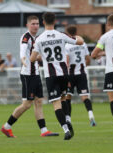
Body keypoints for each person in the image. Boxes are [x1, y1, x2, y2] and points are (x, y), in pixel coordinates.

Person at [1, 15, 59, 138]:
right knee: (27, 104)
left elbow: (37, 55)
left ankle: (44, 131)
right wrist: (22, 58)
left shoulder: (37, 38)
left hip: (36, 74)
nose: (35, 26)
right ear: (27, 25)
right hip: (28, 75)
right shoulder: (26, 37)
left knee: (38, 102)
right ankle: (7, 127)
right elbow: (23, 50)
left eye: (37, 23)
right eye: (33, 23)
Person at [30, 12, 84, 140]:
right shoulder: (61, 35)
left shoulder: (39, 38)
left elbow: (32, 59)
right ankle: (67, 118)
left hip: (51, 75)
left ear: (43, 22)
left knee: (56, 103)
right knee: (64, 98)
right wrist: (75, 36)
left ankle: (65, 129)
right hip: (64, 74)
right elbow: (80, 42)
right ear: (55, 22)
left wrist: (42, 56)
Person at [64, 25, 96, 126]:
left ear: (68, 33)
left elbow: (67, 62)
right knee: (85, 97)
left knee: (68, 97)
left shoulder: (67, 45)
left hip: (70, 75)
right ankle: (91, 116)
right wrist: (82, 66)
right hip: (82, 74)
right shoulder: (83, 44)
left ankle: (68, 119)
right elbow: (88, 59)